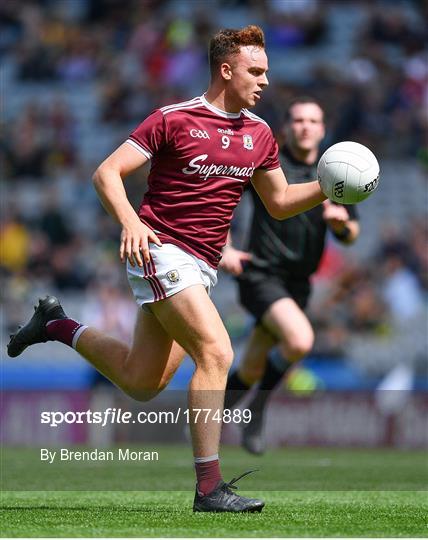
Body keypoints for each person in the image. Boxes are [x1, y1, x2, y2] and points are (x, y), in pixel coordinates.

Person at [8, 27, 328, 512]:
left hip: (200, 267)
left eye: (266, 71)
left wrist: (328, 185)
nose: (265, 80)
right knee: (217, 352)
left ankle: (55, 324)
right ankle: (209, 489)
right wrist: (131, 222)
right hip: (161, 251)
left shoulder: (260, 133)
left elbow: (280, 201)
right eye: (255, 71)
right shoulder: (173, 119)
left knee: (142, 381)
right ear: (226, 69)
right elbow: (106, 174)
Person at [221, 97, 360, 455]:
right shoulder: (269, 164)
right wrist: (226, 248)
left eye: (313, 120)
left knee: (252, 366)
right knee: (299, 340)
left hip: (299, 284)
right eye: (298, 120)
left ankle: (209, 418)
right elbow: (221, 200)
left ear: (323, 128)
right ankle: (257, 409)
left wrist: (341, 225)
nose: (305, 126)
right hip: (261, 273)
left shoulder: (337, 172)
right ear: (287, 127)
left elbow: (352, 233)